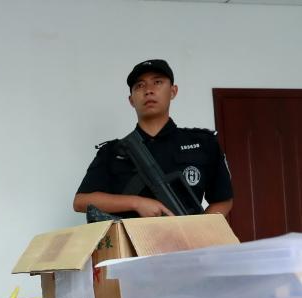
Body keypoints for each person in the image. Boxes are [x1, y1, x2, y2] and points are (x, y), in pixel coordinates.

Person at [74, 59, 233, 220]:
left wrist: (198, 230)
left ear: (173, 91)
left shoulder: (203, 144)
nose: (148, 90)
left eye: (157, 82)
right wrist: (136, 203)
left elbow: (223, 200)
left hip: (185, 235)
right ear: (131, 100)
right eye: (140, 85)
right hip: (130, 236)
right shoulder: (113, 151)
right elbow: (81, 201)